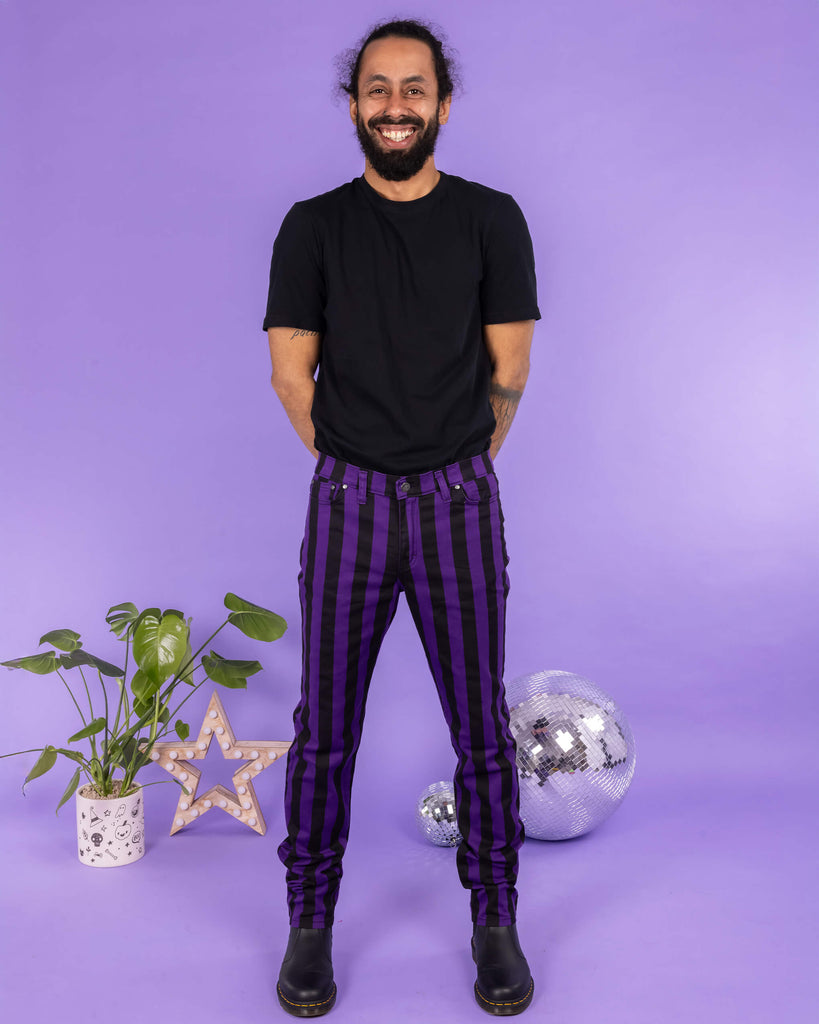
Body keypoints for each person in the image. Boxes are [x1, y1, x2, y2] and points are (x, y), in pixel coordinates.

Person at [263, 18, 540, 1018]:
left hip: (462, 498)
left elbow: (508, 370)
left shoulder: (491, 220)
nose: (395, 106)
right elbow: (292, 373)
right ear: (355, 106)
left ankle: (496, 920)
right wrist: (364, 466)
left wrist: (449, 465)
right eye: (377, 89)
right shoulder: (313, 226)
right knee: (326, 728)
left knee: (480, 727)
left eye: (412, 89)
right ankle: (309, 923)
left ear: (442, 104)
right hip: (350, 502)